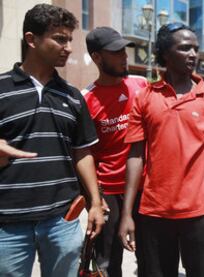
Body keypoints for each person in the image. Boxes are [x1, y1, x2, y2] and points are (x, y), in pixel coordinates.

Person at [118, 22, 204, 277]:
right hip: (154, 211)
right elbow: (135, 155)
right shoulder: (145, 98)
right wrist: (127, 214)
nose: (193, 54)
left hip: (200, 212)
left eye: (195, 48)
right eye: (184, 48)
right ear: (165, 53)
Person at [0, 4, 104, 277]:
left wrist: (95, 202)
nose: (68, 47)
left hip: (62, 220)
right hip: (8, 223)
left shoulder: (72, 96)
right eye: (60, 38)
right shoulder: (1, 89)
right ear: (31, 39)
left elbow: (82, 152)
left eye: (70, 39)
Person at [82, 26, 149, 277]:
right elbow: (84, 155)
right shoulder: (86, 99)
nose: (124, 56)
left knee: (151, 259)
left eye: (124, 50)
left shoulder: (142, 85)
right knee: (107, 263)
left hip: (145, 189)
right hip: (108, 193)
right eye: (116, 52)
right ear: (97, 57)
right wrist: (94, 201)